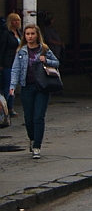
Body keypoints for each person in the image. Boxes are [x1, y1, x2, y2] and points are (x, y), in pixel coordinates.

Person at [9, 23, 60, 159]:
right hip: (27, 87)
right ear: (24, 36)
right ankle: (32, 139)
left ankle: (37, 146)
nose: (30, 36)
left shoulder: (43, 49)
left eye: (32, 33)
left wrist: (47, 60)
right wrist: (12, 86)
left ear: (37, 35)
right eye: (27, 34)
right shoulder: (21, 51)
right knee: (29, 118)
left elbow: (57, 63)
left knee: (38, 116)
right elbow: (15, 69)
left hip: (42, 88)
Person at [0, 13, 22, 117]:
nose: (16, 22)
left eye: (18, 20)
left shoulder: (19, 33)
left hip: (18, 62)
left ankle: (10, 106)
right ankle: (6, 108)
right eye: (14, 20)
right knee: (8, 85)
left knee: (14, 85)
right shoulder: (6, 33)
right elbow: (2, 48)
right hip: (8, 62)